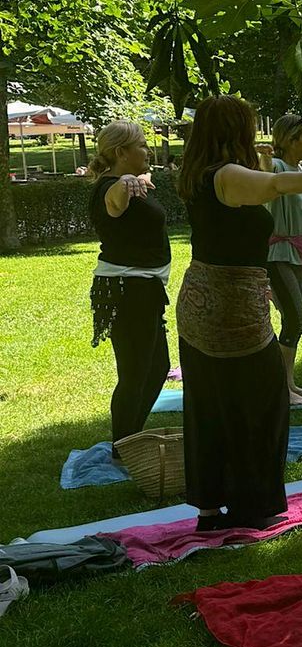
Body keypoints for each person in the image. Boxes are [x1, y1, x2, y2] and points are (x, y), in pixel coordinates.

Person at [176, 95, 302, 531]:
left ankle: (210, 509)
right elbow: (271, 186)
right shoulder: (228, 174)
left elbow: (262, 181)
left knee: (210, 404)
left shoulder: (198, 172)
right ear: (236, 131)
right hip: (229, 305)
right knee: (262, 402)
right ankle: (252, 505)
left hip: (201, 296)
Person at [87, 120, 172, 448]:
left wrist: (139, 177)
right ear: (121, 152)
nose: (147, 150)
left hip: (144, 288)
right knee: (135, 374)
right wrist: (126, 180)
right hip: (127, 289)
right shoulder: (112, 187)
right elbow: (117, 200)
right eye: (140, 145)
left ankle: (130, 438)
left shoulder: (130, 179)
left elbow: (133, 184)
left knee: (157, 367)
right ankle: (123, 447)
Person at [266, 112, 302, 405]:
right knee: (296, 318)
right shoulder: (276, 166)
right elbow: (263, 170)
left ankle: (288, 383)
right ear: (289, 140)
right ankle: (281, 388)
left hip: (298, 252)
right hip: (277, 254)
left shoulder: (300, 171)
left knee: (292, 320)